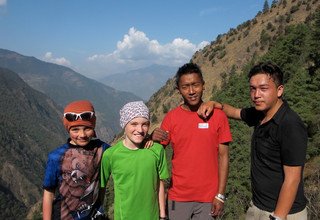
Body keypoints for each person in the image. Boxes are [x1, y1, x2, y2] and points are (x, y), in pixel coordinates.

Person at [198, 62, 308, 220]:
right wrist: (215, 104)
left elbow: (293, 178)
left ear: (279, 90)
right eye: (253, 88)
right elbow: (236, 112)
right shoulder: (260, 114)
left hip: (284, 213)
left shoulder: (290, 124)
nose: (256, 95)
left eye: (263, 89)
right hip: (257, 206)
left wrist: (278, 216)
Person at [152, 63, 232, 219]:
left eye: (195, 85)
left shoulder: (218, 116)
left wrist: (220, 195)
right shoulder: (171, 118)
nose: (191, 91)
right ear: (178, 90)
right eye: (185, 87)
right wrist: (150, 137)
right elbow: (156, 152)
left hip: (209, 198)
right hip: (178, 197)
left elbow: (224, 157)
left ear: (203, 85)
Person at [100, 101, 170, 220]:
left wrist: (162, 215)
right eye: (134, 124)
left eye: (145, 124)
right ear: (124, 124)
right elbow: (102, 186)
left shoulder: (157, 150)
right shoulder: (110, 155)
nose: (140, 129)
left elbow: (160, 185)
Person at [42, 100, 110, 220]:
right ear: (68, 130)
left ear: (93, 127)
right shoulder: (56, 157)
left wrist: (148, 139)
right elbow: (48, 193)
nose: (82, 134)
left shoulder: (101, 149)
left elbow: (124, 151)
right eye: (75, 129)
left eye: (87, 128)